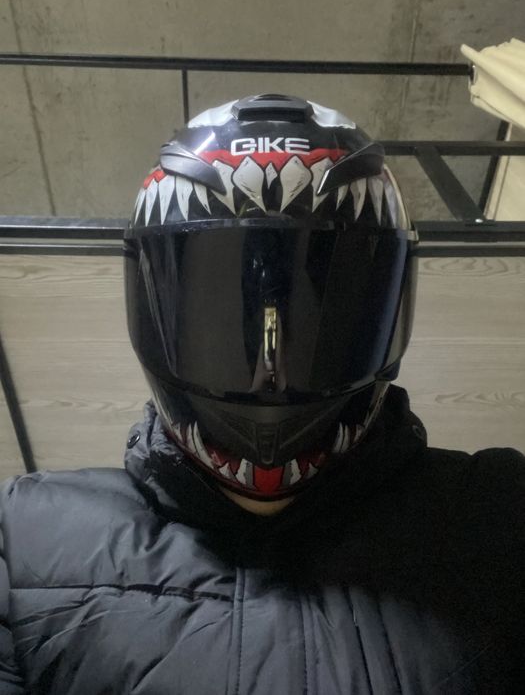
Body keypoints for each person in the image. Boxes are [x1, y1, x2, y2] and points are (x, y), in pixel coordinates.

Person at [0, 94, 524, 694]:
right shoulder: (25, 534)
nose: (269, 376)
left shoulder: (499, 515)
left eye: (318, 318)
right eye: (230, 324)